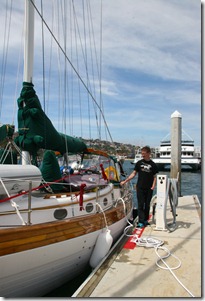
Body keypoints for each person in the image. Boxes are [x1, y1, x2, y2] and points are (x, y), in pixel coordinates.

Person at [120, 146, 158, 228]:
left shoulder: (153, 165)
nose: (142, 155)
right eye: (142, 154)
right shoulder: (139, 163)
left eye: (144, 154)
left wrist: (153, 186)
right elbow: (133, 174)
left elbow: (155, 177)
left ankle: (145, 220)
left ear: (148, 153)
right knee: (140, 204)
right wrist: (125, 181)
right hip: (140, 187)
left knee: (147, 204)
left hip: (149, 188)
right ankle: (141, 221)